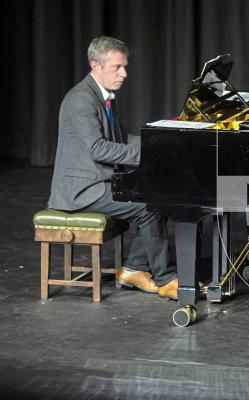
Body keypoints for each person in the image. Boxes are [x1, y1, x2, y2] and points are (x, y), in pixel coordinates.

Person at [48, 36, 179, 300]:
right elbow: (98, 148)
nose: (124, 74)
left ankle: (134, 269)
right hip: (81, 191)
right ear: (96, 66)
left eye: (124, 67)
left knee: (158, 196)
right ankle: (166, 280)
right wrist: (148, 152)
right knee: (149, 205)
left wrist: (157, 141)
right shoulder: (80, 100)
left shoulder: (103, 97)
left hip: (99, 183)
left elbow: (119, 139)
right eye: (117, 67)